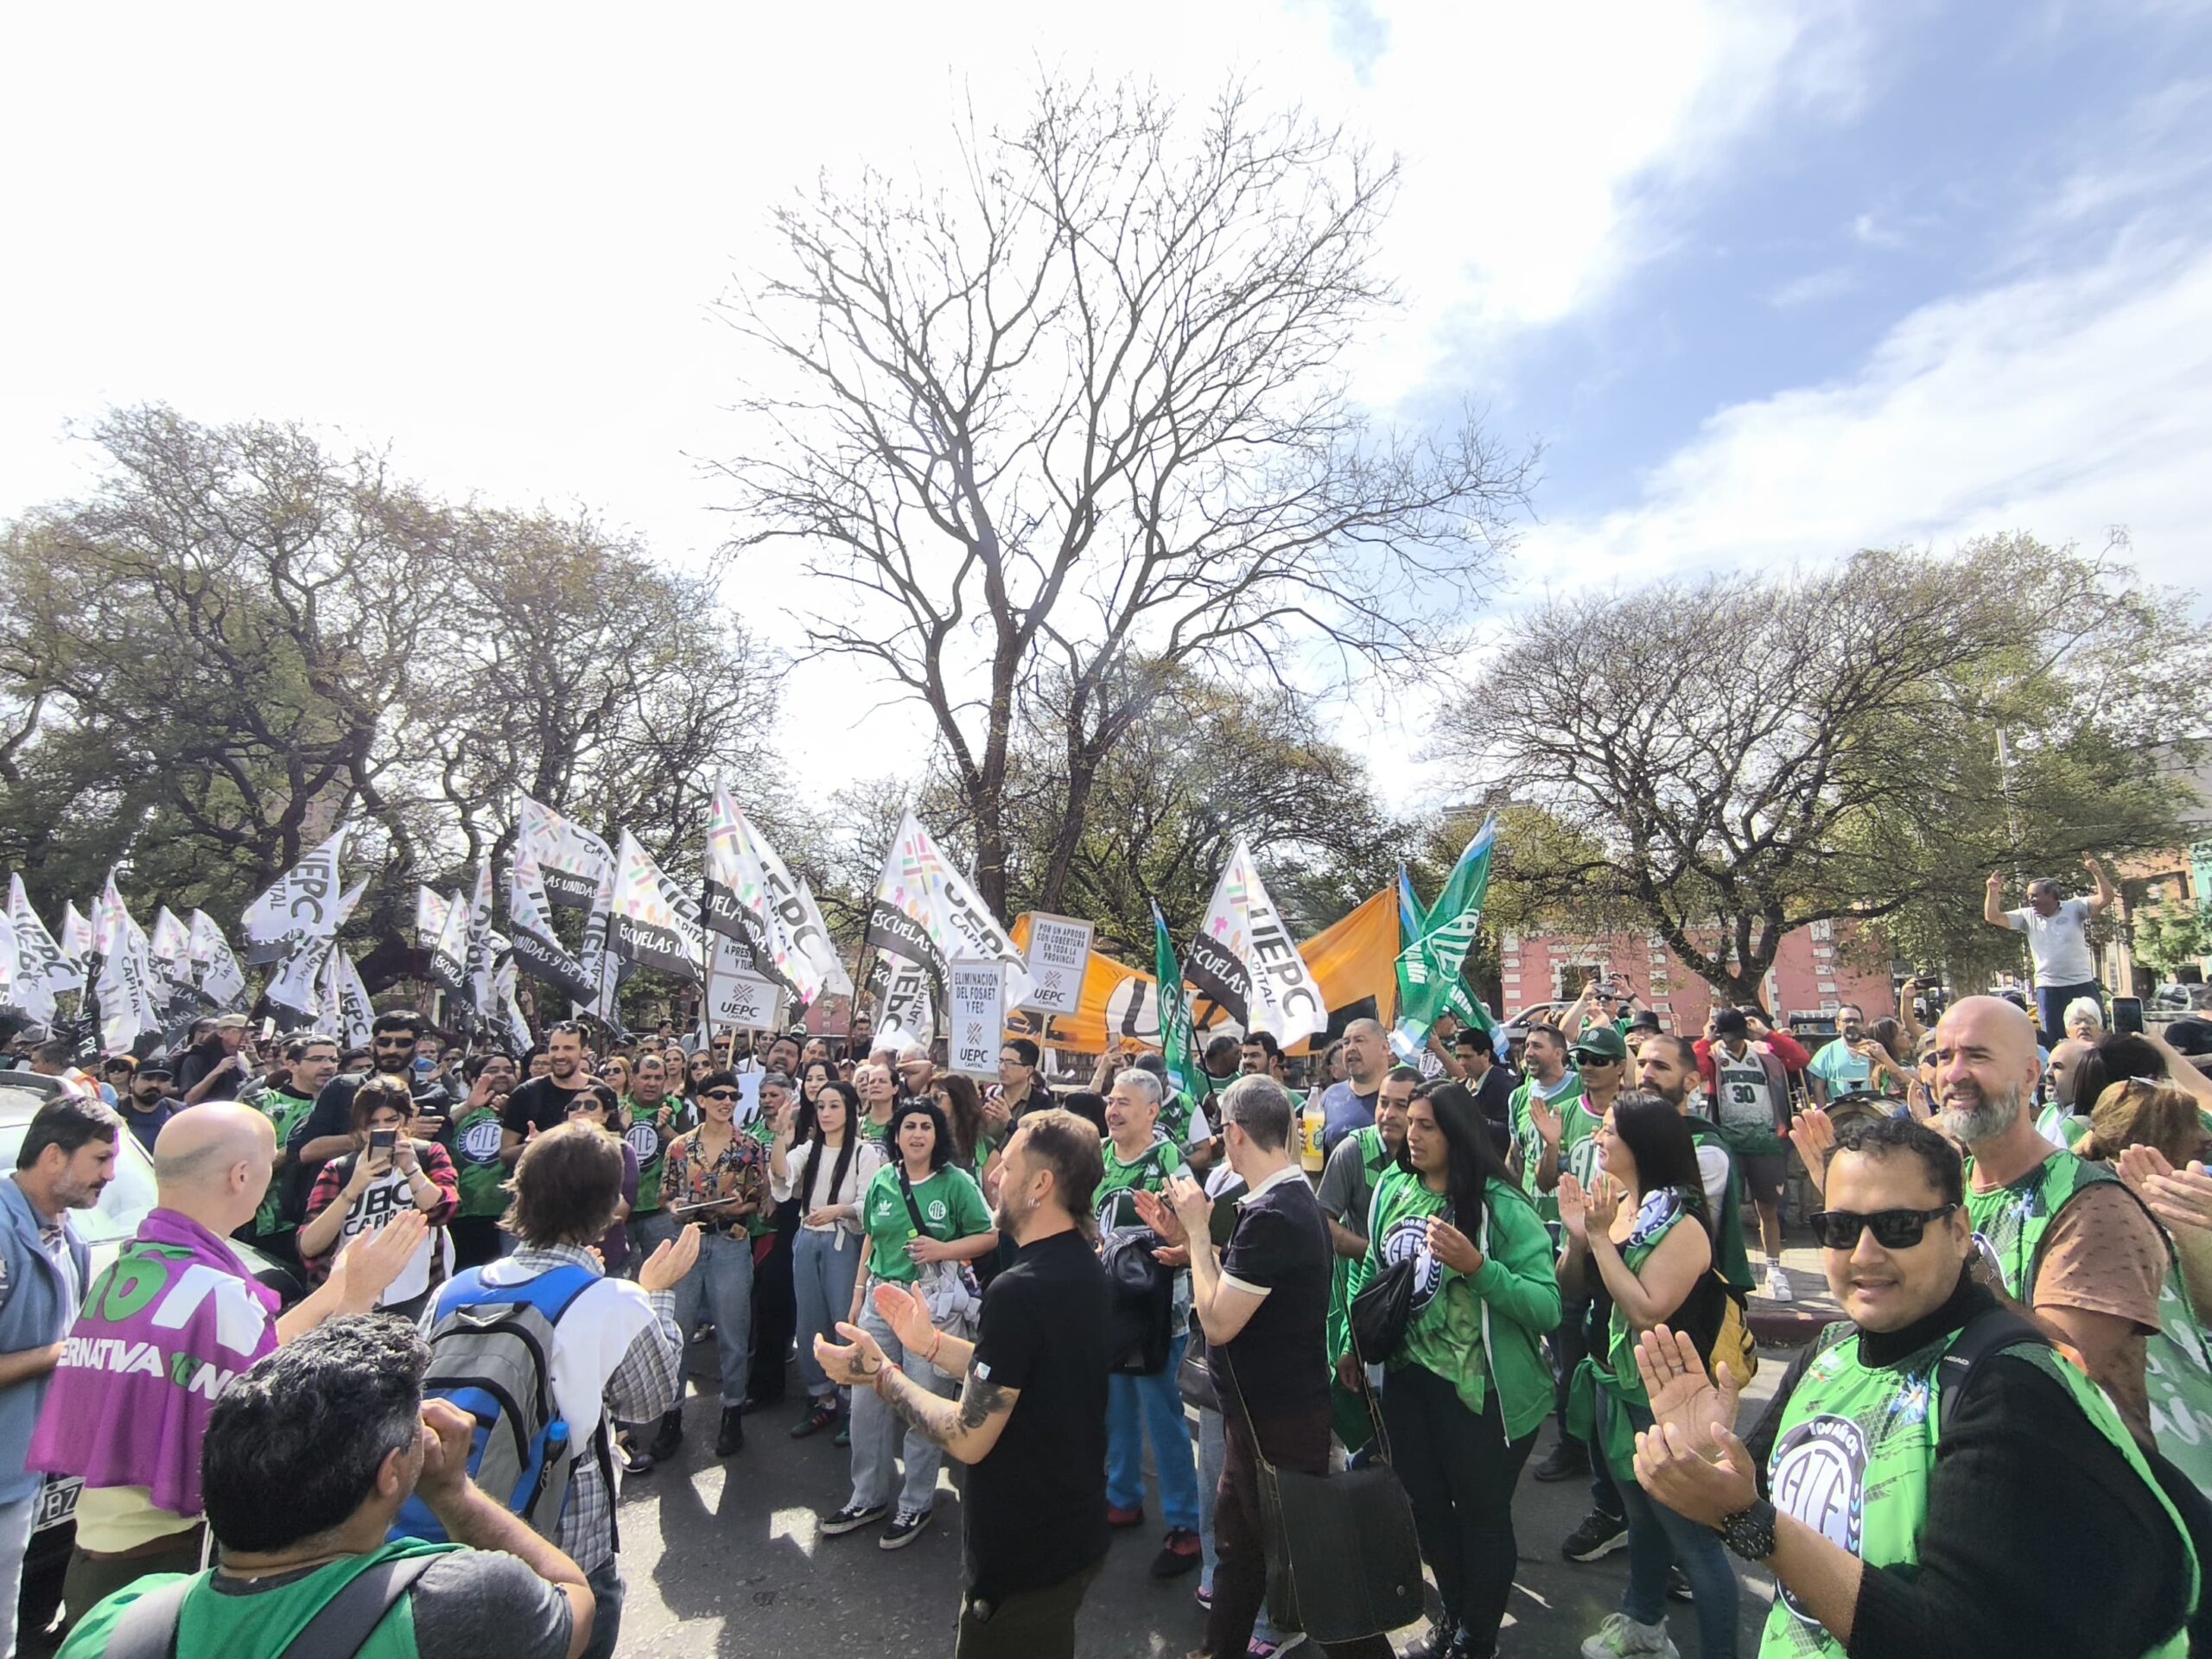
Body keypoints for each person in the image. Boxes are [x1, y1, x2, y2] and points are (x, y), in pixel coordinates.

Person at [1631, 1115, 2196, 1659]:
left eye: (1898, 1226)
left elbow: (1955, 1642)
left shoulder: (2007, 1390)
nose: (1864, 1254)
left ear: (1959, 1232)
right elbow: (1749, 1500)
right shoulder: (1831, 1352)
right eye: (1840, 1228)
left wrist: (1753, 1525)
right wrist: (1707, 1462)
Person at [29, 1103, 425, 1630]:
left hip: (100, 1557)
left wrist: (335, 1290)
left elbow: (254, 1351)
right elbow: (288, 1412)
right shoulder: (220, 1292)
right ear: (241, 1175)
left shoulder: (134, 1266)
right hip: (162, 1568)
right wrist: (357, 1299)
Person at [54, 1315, 594, 1659]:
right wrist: (454, 1493)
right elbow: (573, 1600)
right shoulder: (459, 1602)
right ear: (389, 1473)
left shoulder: (115, 1624)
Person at [817, 1109, 1109, 1658]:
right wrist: (930, 1344)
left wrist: (881, 1376)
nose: (994, 1177)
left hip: (1024, 1553)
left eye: (1009, 1166)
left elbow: (968, 1435)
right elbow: (1022, 1369)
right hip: (1071, 1530)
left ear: (1042, 1184)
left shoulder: (1019, 1291)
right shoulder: (1080, 1264)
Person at [1131, 1075, 1394, 1659]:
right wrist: (1197, 1247)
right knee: (1241, 1552)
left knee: (1316, 1568)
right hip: (1260, 1418)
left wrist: (1197, 1233)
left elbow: (1220, 1322)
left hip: (1278, 1423)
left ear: (1234, 1134)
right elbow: (1250, 1278)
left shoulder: (1275, 1211)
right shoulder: (1287, 1200)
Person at [424, 1121, 696, 1659]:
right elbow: (650, 1401)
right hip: (563, 1533)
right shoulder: (612, 1298)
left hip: (449, 1525)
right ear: (608, 1207)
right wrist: (657, 1295)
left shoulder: (452, 1291)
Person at [1343, 1080, 1560, 1659]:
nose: (1410, 1135)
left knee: (1482, 1519)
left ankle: (1476, 1640)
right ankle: (1457, 1617)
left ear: (1458, 1134)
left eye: (1426, 1126)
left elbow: (1547, 1306)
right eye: (1409, 1122)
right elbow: (1372, 1266)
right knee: (1427, 1512)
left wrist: (1478, 1267)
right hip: (1408, 1385)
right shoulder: (1393, 1186)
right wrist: (1351, 1340)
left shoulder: (1501, 1207)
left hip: (1482, 1396)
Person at [1557, 1094, 1737, 1659]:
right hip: (1615, 1385)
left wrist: (1600, 1239)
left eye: (1609, 1130)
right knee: (1641, 1516)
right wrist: (1580, 1237)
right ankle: (1644, 1622)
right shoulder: (1619, 1206)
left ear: (1643, 1144)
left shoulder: (1682, 1223)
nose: (1597, 1138)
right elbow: (1571, 1287)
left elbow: (1645, 1308)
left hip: (1665, 1400)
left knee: (1692, 1538)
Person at [823, 1096, 997, 1549]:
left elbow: (989, 1235)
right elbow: (871, 1238)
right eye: (909, 1126)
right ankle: (867, 1496)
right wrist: (858, 1294)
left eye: (926, 1126)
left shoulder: (956, 1182)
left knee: (922, 1404)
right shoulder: (884, 1178)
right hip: (880, 1299)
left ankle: (916, 1502)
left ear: (938, 1136)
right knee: (867, 1402)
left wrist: (942, 1250)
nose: (917, 1134)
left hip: (929, 1305)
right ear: (895, 1135)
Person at [0, 1096, 117, 1658]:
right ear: (53, 1156)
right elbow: (62, 1350)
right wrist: (63, 1353)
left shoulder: (67, 1235)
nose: (109, 1176)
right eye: (100, 1159)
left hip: (23, 1475)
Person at [1092, 1069, 1203, 1577]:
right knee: (1116, 1408)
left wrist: (1172, 1233)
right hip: (1107, 1308)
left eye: (1125, 1102)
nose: (1113, 1110)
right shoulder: (1097, 1155)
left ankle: (1186, 1523)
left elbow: (1194, 1229)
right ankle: (1122, 1497)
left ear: (1153, 1111)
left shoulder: (1168, 1162)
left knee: (1163, 1414)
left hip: (1158, 1311)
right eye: (1111, 1100)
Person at [646, 1068, 766, 1461]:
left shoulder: (749, 1146)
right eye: (718, 1095)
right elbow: (665, 1194)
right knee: (677, 1331)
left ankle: (732, 1411)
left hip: (731, 1242)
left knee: (734, 1332)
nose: (727, 1102)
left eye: (733, 1096)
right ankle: (671, 1414)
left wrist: (739, 1206)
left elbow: (759, 1200)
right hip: (688, 1242)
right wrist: (676, 1206)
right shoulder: (679, 1147)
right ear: (701, 1100)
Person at [772, 1077, 885, 1440]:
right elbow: (782, 1174)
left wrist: (838, 1210)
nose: (826, 1113)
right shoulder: (810, 1148)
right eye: (821, 1106)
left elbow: (868, 1204)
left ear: (850, 1110)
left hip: (843, 1243)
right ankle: (822, 1398)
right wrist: (780, 1134)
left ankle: (852, 1404)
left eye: (834, 1106)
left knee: (844, 1320)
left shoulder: (864, 1153)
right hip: (808, 1239)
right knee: (809, 1321)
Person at [297, 1076, 461, 1320]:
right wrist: (352, 1189)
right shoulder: (339, 1169)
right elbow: (309, 1246)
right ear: (360, 1129)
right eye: (372, 1123)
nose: (382, 1129)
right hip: (351, 1299)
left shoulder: (429, 1154)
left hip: (418, 1293)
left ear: (407, 1120)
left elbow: (444, 1211)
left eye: (391, 1120)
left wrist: (411, 1169)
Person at [1318, 1064, 1417, 1452]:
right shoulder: (1353, 1150)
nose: (1388, 1114)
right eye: (1382, 1103)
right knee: (1362, 1395)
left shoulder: (1434, 1153)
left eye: (1401, 1105)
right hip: (1364, 1293)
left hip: (1418, 1299)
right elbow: (1324, 1222)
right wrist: (1378, 1255)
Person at [286, 1010, 456, 1221]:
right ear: (373, 1043)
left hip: (406, 1212)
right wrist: (388, 1136)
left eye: (403, 1043)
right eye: (384, 1042)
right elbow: (307, 1151)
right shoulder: (343, 1087)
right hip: (341, 1209)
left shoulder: (434, 1094)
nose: (392, 1050)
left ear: (416, 1045)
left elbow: (442, 1164)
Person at [1695, 1007, 1799, 1303]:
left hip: (1765, 1141)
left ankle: (1774, 1270)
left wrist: (1768, 1034)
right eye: (1727, 1038)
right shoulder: (1714, 1055)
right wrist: (1705, 1040)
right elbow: (1694, 1069)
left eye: (1737, 1037)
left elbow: (1799, 1059)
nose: (1733, 1043)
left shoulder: (1763, 1053)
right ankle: (1721, 1269)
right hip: (1728, 1143)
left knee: (1769, 1209)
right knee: (1723, 1210)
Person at [1985, 854, 2115, 1045]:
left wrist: (2097, 873)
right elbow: (1993, 916)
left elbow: (2106, 898)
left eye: (2035, 896)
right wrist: (1993, 891)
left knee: (2095, 1036)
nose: (2031, 900)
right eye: (2029, 897)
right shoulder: (2027, 916)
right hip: (2049, 987)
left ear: (2052, 895)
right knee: (2053, 1039)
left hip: (2081, 982)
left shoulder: (2075, 907)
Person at [243, 1034, 338, 1267]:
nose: (328, 1066)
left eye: (333, 1059)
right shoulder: (262, 1104)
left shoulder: (347, 1105)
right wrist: (294, 1151)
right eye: (317, 1059)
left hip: (326, 1219)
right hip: (270, 1222)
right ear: (292, 1065)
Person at [619, 1050, 693, 1266]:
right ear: (632, 1079)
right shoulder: (617, 1108)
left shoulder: (675, 1107)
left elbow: (691, 1153)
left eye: (658, 1078)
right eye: (646, 1077)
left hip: (660, 1209)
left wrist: (666, 1130)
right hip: (622, 1209)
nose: (652, 1083)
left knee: (663, 1272)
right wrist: (624, 1129)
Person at [447, 1052, 518, 1269]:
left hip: (508, 1215)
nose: (502, 1074)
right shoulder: (457, 1110)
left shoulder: (526, 1110)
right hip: (462, 1212)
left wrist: (511, 1113)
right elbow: (439, 1136)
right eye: (492, 1070)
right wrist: (469, 1107)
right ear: (474, 1079)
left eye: (508, 1070)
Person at [560, 1084, 638, 1275]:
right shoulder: (552, 1151)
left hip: (608, 1255)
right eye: (574, 1106)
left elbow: (621, 1211)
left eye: (590, 1105)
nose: (580, 1110)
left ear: (605, 1115)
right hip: (559, 1255)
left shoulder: (622, 1150)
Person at [501, 1024, 593, 1166]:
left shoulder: (601, 1091)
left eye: (568, 1048)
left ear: (584, 1051)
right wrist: (534, 1147)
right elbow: (505, 1154)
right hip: (539, 1178)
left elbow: (616, 1148)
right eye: (554, 1048)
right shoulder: (525, 1093)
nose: (559, 1055)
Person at [1319, 1018, 1392, 1158]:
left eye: (1359, 1041)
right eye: (1346, 1043)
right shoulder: (1330, 1097)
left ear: (1384, 1048)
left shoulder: (1402, 1094)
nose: (1351, 1048)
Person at [1454, 1026, 1515, 1156]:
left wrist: (1470, 1117)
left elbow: (1508, 1132)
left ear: (1486, 1055)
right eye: (1459, 1057)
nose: (1462, 1063)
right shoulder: (1460, 1087)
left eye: (1467, 1057)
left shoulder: (1503, 1085)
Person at [175, 1014, 253, 1105]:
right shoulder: (197, 1057)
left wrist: (257, 1061)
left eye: (249, 1031)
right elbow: (189, 1099)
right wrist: (217, 1071)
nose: (246, 1035)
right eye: (240, 1030)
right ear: (221, 1033)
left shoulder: (242, 1059)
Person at [117, 1066, 177, 1156]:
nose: (154, 1085)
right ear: (132, 1081)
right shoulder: (110, 1113)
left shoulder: (181, 1115)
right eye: (148, 1079)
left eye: (163, 1080)